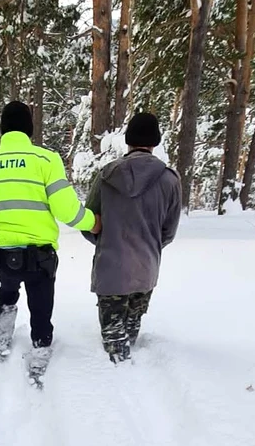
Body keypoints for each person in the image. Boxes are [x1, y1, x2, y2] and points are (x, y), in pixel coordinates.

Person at [0, 101, 101, 380]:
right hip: (41, 258)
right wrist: (92, 222)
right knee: (41, 304)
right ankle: (39, 353)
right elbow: (65, 210)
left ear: (2, 130)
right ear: (29, 129)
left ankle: (2, 341)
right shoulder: (46, 161)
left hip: (4, 256)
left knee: (7, 293)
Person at [83, 112, 181, 363]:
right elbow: (168, 232)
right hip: (145, 270)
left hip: (110, 271)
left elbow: (88, 222)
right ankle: (131, 373)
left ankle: (117, 381)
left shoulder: (107, 175)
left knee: (113, 347)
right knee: (131, 333)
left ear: (128, 140)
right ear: (155, 142)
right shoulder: (170, 180)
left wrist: (107, 241)